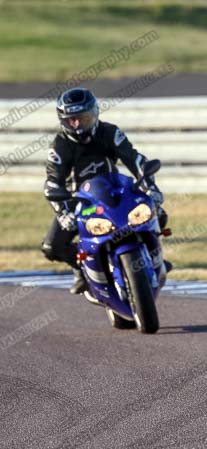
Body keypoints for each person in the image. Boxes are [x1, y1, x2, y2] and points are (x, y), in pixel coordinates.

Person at [41, 88, 167, 294]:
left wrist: (150, 187)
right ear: (62, 120)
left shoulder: (110, 133)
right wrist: (63, 212)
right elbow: (53, 183)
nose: (77, 125)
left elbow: (135, 160)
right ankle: (81, 268)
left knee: (158, 214)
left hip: (116, 193)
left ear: (95, 113)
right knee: (52, 247)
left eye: (83, 118)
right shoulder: (60, 145)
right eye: (71, 120)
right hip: (81, 204)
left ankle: (153, 255)